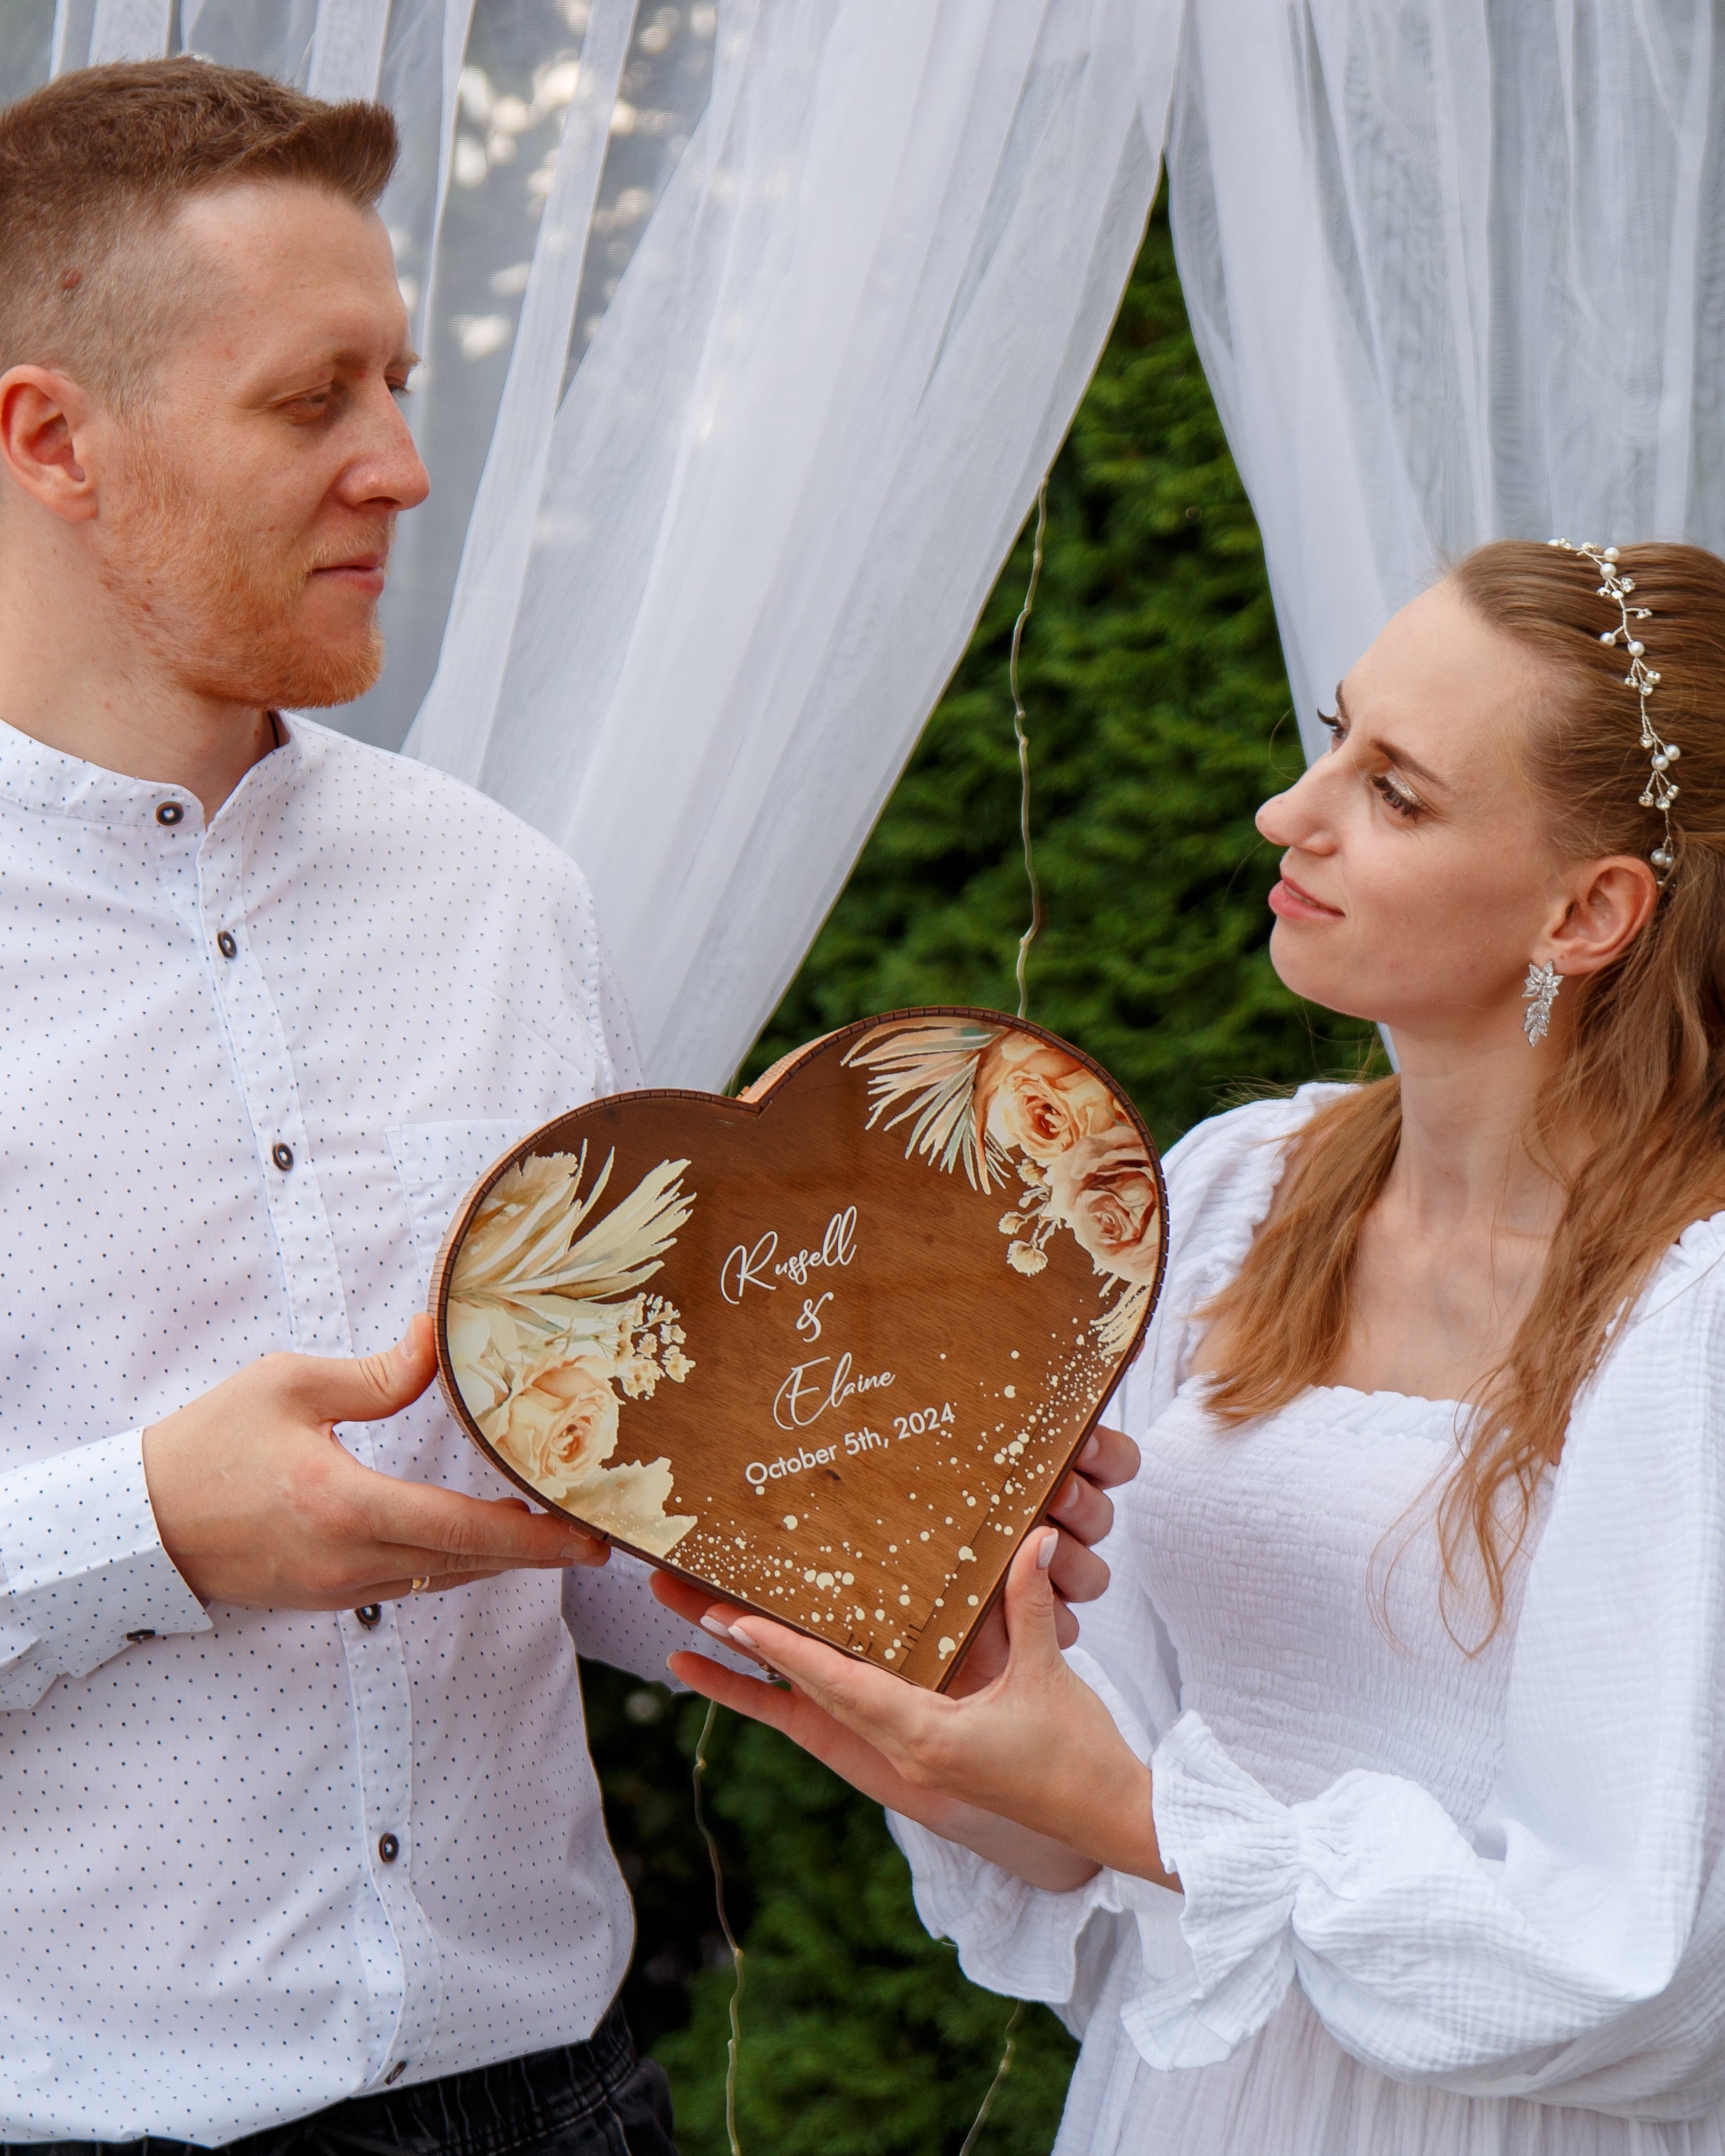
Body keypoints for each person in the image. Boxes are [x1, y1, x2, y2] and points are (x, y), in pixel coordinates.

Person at [0, 57, 1132, 2155]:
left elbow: (594, 1497)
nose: (407, 466)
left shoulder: (500, 896)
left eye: (401, 386)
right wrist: (146, 1528)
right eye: (310, 399)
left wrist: (881, 1510)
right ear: (52, 436)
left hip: (564, 2105)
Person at [666, 537, 1725, 2153]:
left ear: (1590, 910)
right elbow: (1105, 1805)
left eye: (1399, 792)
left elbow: (1648, 1968)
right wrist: (956, 1718)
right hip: (1194, 2101)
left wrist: (1128, 1807)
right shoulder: (1233, 1192)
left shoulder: (1699, 1309)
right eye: (1332, 737)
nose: (1288, 816)